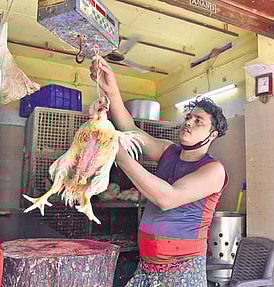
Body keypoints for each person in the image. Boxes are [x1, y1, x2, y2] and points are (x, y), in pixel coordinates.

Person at [90, 60, 228, 287]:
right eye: (188, 118)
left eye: (198, 121)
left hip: (182, 269)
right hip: (147, 266)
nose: (189, 123)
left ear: (212, 134)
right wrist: (111, 89)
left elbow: (168, 198)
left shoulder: (213, 170)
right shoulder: (168, 151)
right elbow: (129, 128)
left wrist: (118, 153)